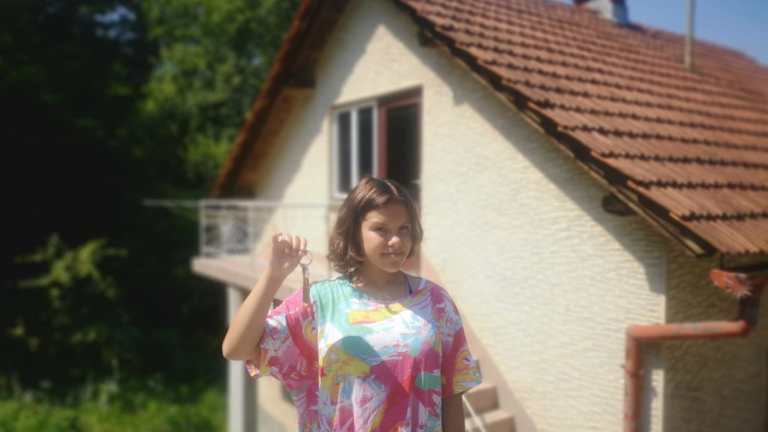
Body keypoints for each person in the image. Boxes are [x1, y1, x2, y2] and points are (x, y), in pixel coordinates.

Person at [222, 176, 482, 431]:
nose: (396, 240)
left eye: (404, 229)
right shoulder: (321, 302)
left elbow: (452, 393)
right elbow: (236, 349)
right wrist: (273, 277)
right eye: (381, 229)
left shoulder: (436, 302)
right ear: (355, 232)